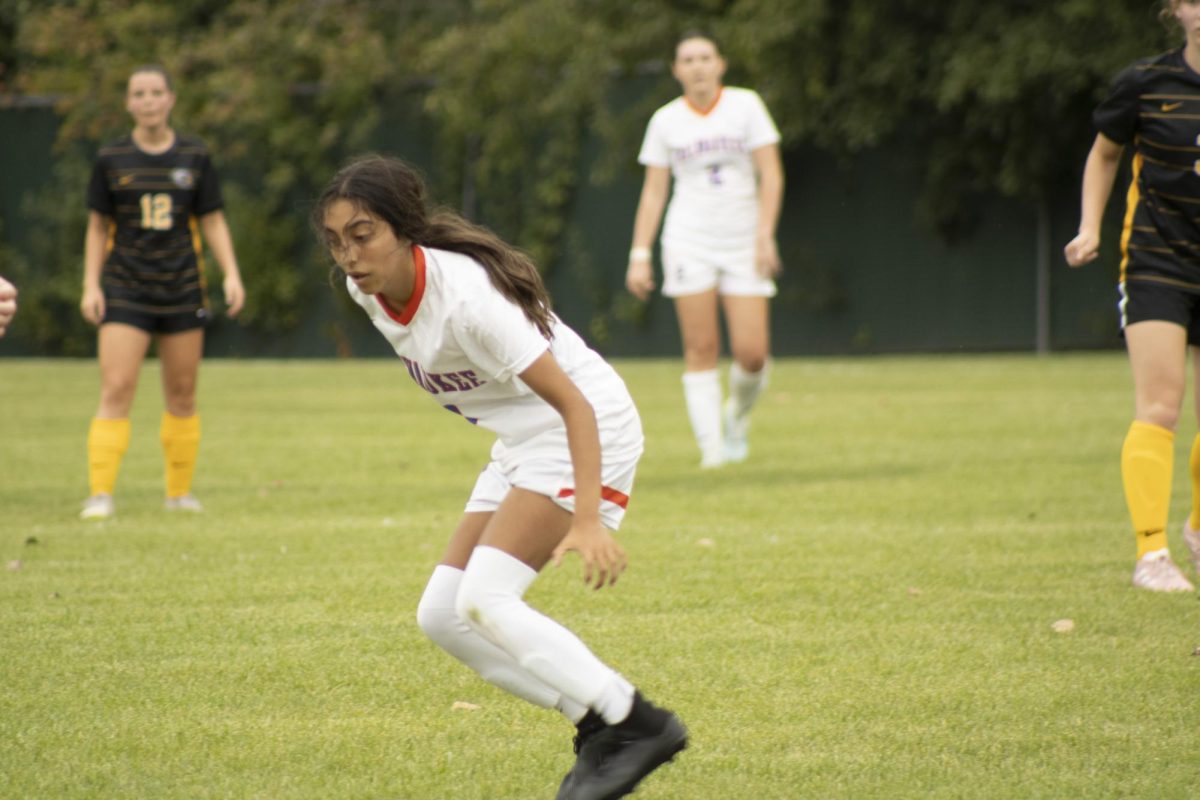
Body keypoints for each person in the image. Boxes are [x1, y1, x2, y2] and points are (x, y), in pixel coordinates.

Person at [314, 154, 687, 800]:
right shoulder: (366, 289)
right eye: (336, 239)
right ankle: (595, 722)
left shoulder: (466, 300)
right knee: (442, 615)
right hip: (523, 439)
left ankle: (638, 722)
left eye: (363, 233)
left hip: (583, 425)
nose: (349, 254)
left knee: (486, 598)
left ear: (404, 229)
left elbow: (573, 403)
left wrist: (590, 519)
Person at [1064, 0, 1200, 591]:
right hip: (1157, 260)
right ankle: (1152, 554)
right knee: (1162, 406)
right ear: (1176, 9)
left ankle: (1197, 526)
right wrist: (1090, 226)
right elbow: (1104, 154)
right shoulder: (1146, 83)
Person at [78, 65, 245, 520]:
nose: (148, 100)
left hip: (182, 287)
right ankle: (100, 494)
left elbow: (211, 219)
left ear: (170, 99)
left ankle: (178, 494)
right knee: (116, 387)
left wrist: (231, 273)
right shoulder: (111, 158)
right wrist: (91, 284)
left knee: (183, 392)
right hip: (125, 288)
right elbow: (97, 227)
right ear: (129, 103)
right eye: (139, 93)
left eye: (156, 92)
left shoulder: (195, 155)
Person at [626, 31, 784, 468]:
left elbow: (770, 175)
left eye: (705, 58)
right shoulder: (665, 121)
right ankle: (712, 452)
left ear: (721, 64)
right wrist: (640, 254)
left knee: (752, 354)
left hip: (743, 239)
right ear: (676, 70)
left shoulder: (746, 106)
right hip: (688, 239)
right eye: (688, 59)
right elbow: (655, 193)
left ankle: (737, 417)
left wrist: (765, 234)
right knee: (701, 348)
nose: (697, 66)